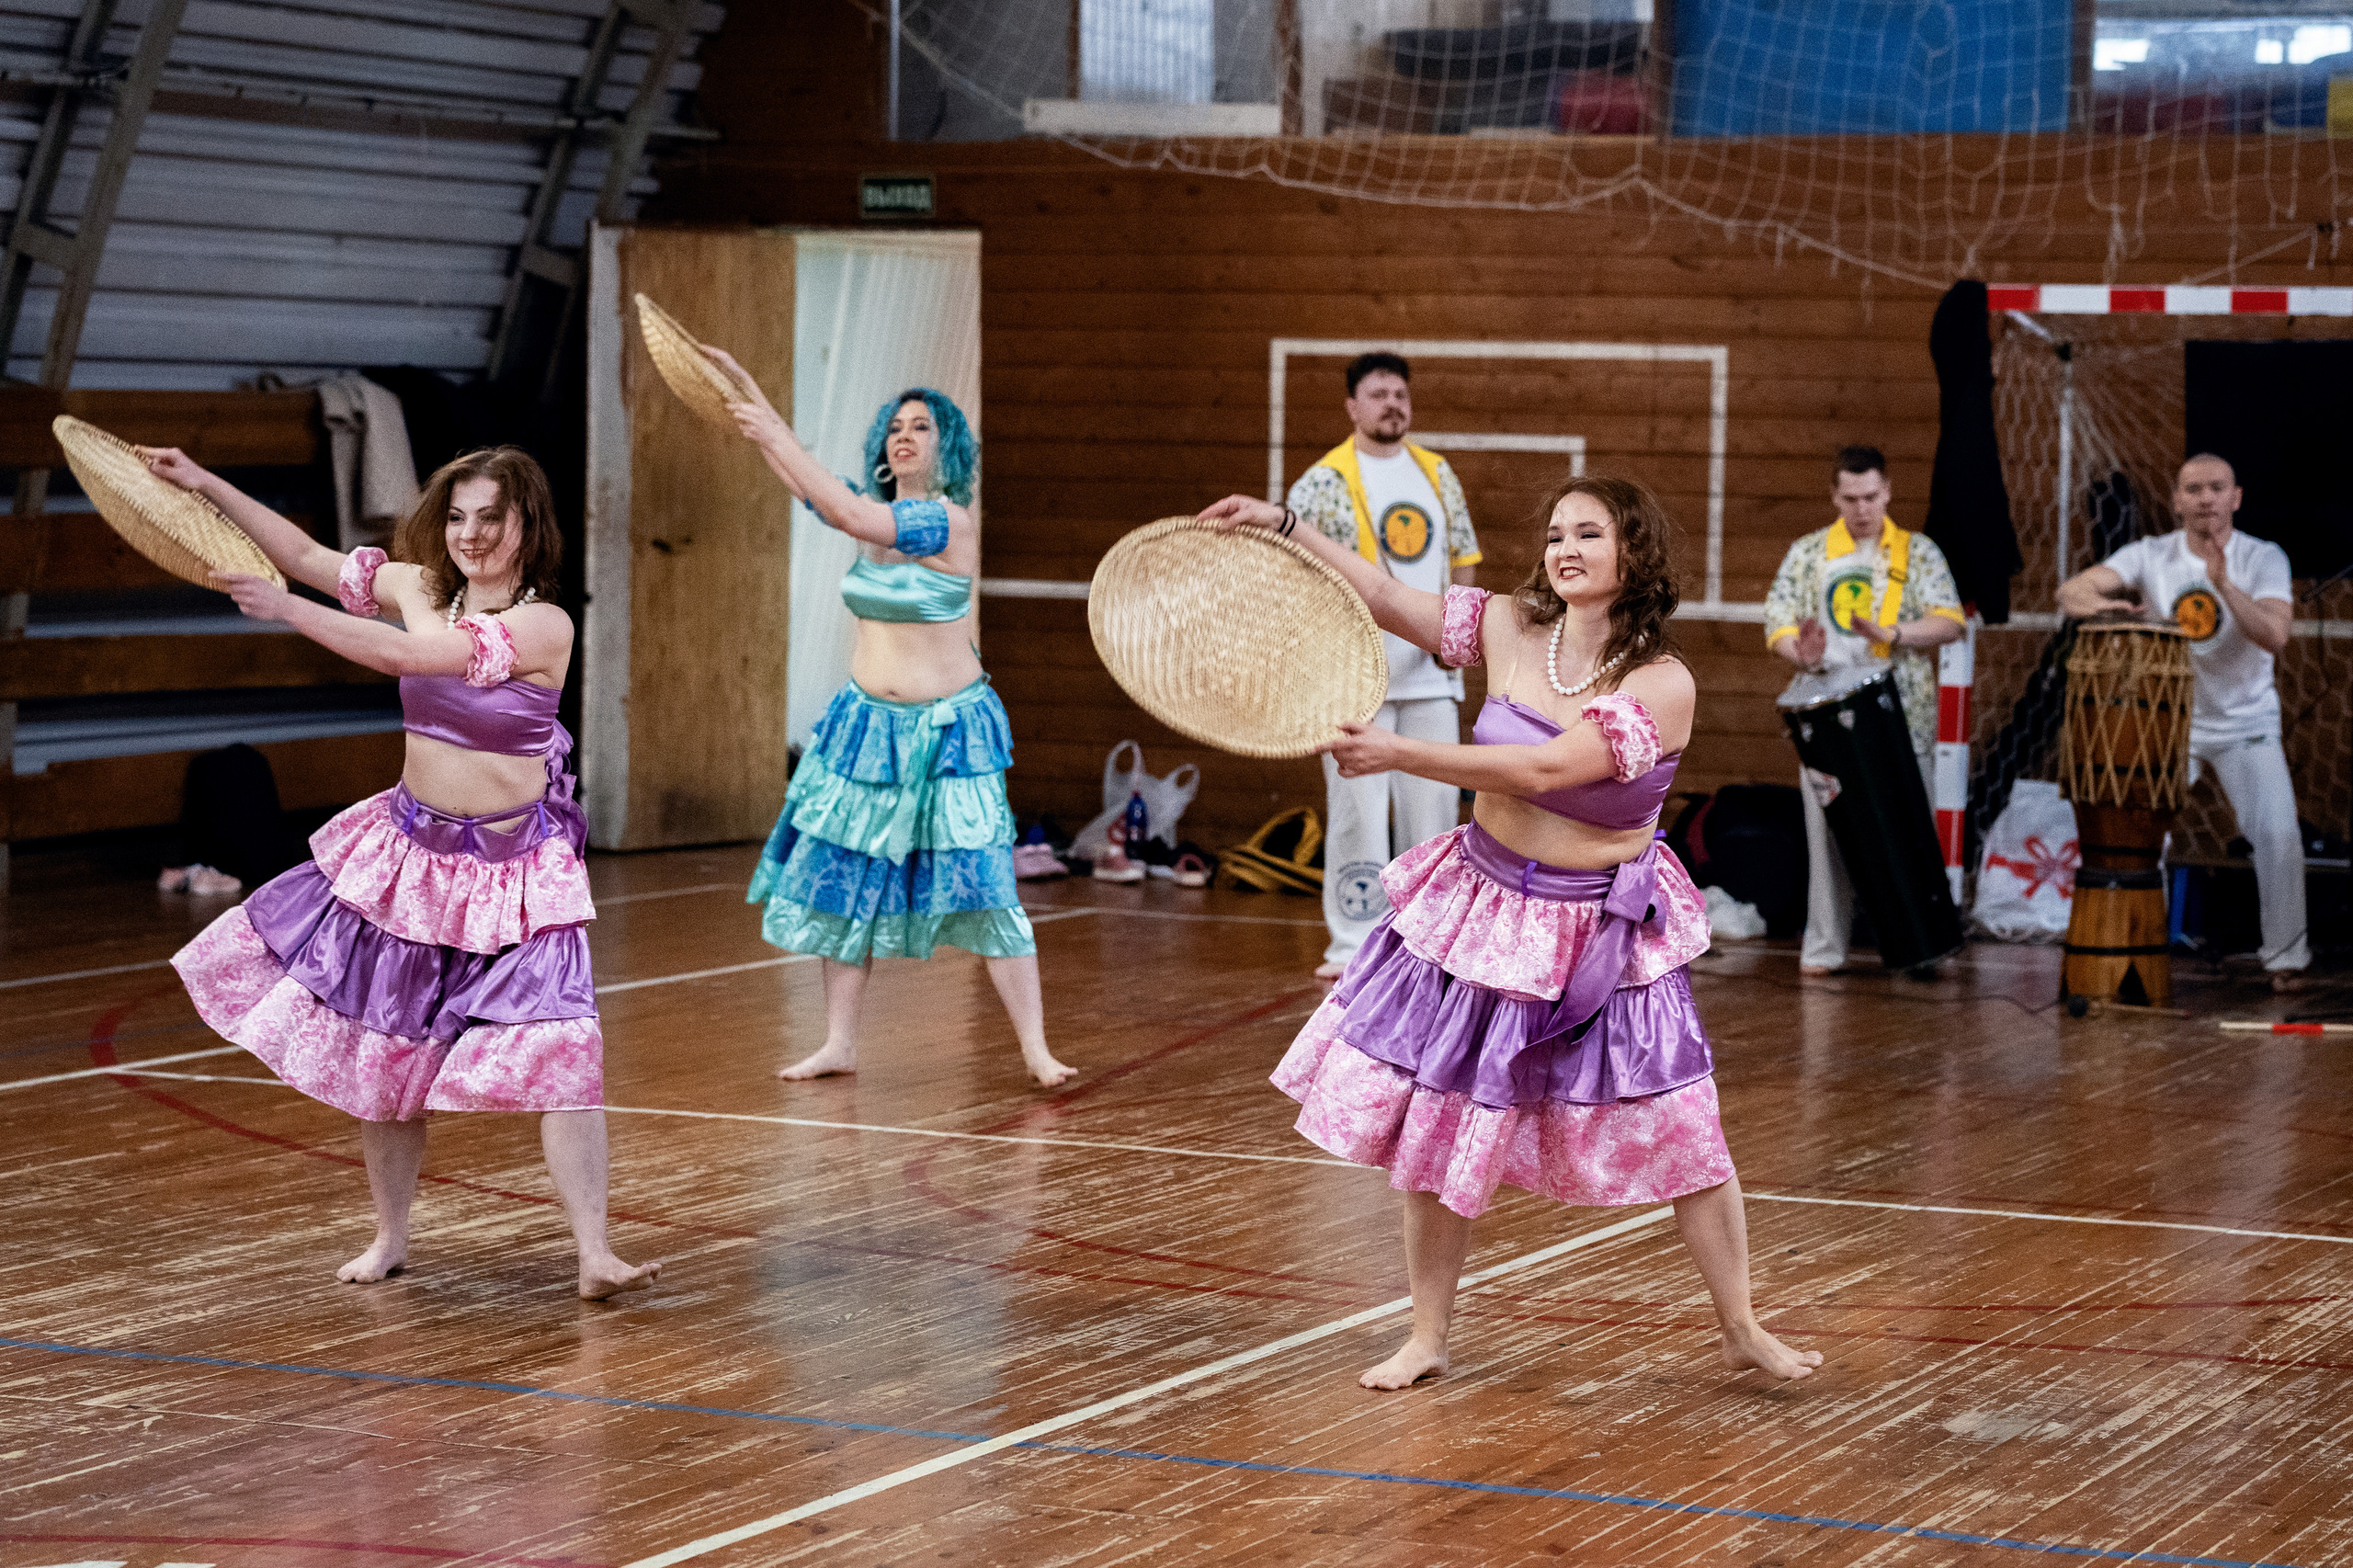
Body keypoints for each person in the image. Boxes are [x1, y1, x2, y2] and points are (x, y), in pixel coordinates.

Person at [1198, 476, 1821, 1392]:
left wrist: (1402, 751)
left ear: (1633, 554)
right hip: (1479, 909)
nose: (1565, 546)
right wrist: (1286, 526)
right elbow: (1379, 596)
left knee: (1685, 1129)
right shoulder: (1507, 624)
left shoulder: (1663, 682)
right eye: (1556, 530)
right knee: (1433, 1117)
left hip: (1595, 933)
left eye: (1590, 532)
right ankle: (1427, 1333)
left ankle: (1739, 1325)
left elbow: (1543, 768)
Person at [153, 445, 659, 1301]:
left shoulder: (545, 626)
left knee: (565, 1054)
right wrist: (207, 481)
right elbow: (309, 559)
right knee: (385, 1056)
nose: (470, 534)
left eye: (489, 516)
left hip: (515, 874)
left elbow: (409, 661)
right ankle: (390, 1235)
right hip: (411, 862)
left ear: (528, 525)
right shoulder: (420, 588)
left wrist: (288, 613)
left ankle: (595, 1253)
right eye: (457, 516)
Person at [704, 351, 1075, 1087]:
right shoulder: (872, 520)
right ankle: (839, 1041)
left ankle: (1035, 1047)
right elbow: (822, 496)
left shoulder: (946, 519)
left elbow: (843, 509)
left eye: (922, 426)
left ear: (948, 447)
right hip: (866, 730)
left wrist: (775, 429)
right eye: (896, 427)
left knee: (983, 882)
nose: (905, 436)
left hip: (950, 732)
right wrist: (753, 412)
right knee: (843, 883)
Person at [2058, 454, 2306, 990]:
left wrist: (2224, 584)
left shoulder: (2264, 558)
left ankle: (2286, 959)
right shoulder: (2151, 554)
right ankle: (2142, 946)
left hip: (2246, 721)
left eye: (2217, 488)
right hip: (2170, 724)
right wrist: (2115, 610)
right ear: (2177, 502)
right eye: (2193, 489)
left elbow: (2275, 635)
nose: (2205, 499)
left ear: (2235, 497)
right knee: (2141, 836)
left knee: (2278, 834)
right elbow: (2070, 592)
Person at [1287, 351, 1483, 981]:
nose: (1392, 403)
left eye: (1400, 394)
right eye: (1378, 394)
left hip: (1429, 678)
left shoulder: (1436, 472)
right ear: (1352, 406)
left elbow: (1463, 554)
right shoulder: (1319, 483)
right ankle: (1352, 945)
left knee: (1433, 816)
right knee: (1357, 817)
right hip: (1353, 683)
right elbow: (1297, 578)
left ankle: (1432, 941)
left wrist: (1454, 634)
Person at [1763, 446, 1964, 976]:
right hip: (1826, 716)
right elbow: (1778, 621)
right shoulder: (1808, 553)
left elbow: (1950, 621)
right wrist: (1798, 652)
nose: (1862, 508)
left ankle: (1923, 943)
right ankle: (1826, 948)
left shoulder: (1917, 553)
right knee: (1824, 834)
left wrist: (1895, 633)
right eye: (1850, 498)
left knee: (1908, 830)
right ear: (1834, 496)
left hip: (1904, 713)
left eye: (1871, 497)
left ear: (1888, 492)